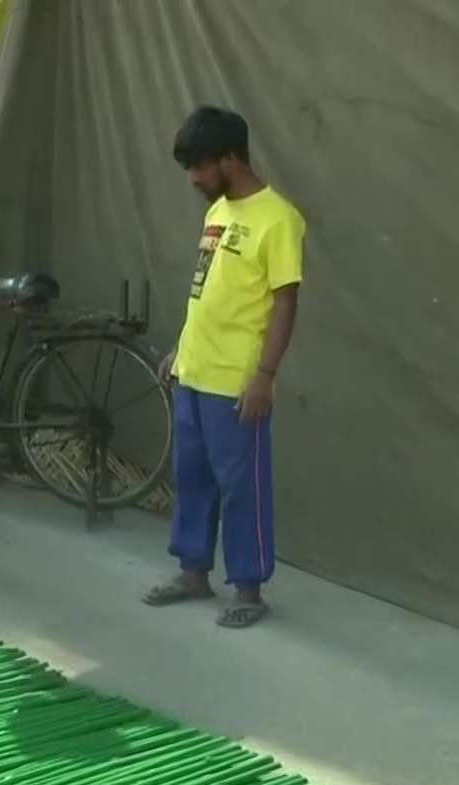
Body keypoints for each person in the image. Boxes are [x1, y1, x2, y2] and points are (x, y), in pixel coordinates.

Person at [143, 106, 306, 628]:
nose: (194, 179)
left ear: (231, 159)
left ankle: (248, 588)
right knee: (191, 478)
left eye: (200, 167)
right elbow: (206, 290)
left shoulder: (279, 219)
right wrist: (180, 347)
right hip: (193, 370)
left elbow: (285, 302)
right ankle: (193, 572)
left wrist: (266, 375)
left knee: (242, 485)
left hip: (236, 383)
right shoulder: (217, 212)